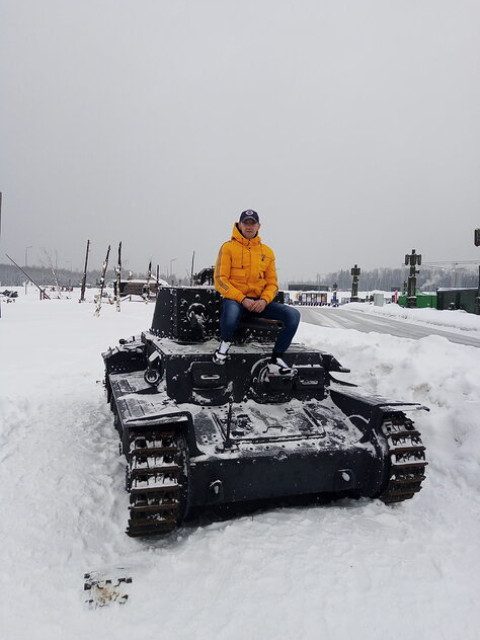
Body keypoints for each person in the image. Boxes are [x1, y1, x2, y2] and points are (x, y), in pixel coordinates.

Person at [213, 209, 301, 375]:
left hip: (259, 303)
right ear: (239, 224)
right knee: (231, 316)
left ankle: (276, 360)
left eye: (252, 223)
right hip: (235, 300)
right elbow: (220, 280)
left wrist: (264, 301)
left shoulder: (267, 252)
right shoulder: (228, 248)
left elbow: (272, 284)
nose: (249, 226)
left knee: (293, 315)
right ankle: (223, 348)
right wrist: (242, 298)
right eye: (245, 223)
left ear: (258, 226)